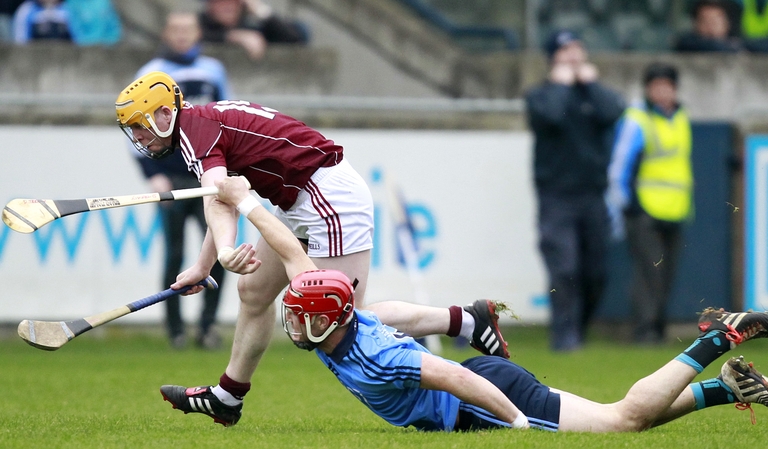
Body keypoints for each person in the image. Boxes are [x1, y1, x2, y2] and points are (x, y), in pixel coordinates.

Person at [162, 176, 768, 431]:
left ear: (330, 318)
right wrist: (244, 201)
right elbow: (290, 251)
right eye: (297, 316)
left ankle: (719, 338)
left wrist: (518, 428)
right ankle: (729, 389)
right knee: (628, 416)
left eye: (302, 317)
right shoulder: (337, 309)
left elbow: (452, 375)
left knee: (622, 420)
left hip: (486, 397)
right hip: (479, 381)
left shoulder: (373, 354)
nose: (293, 322)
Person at [115, 70, 510, 424]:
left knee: (346, 319)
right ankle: (228, 396)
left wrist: (222, 252)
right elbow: (224, 193)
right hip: (299, 201)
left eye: (140, 127)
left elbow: (219, 197)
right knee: (252, 292)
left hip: (328, 198)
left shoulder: (195, 130)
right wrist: (206, 264)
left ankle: (466, 320)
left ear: (165, 114)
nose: (138, 138)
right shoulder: (199, 126)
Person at [130, 12, 231, 350]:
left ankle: (207, 327)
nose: (182, 35)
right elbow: (135, 130)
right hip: (172, 178)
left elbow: (224, 116)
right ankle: (174, 329)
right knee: (175, 256)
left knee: (218, 254)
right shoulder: (150, 73)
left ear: (198, 32)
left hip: (207, 177)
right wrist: (152, 173)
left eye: (188, 29)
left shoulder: (213, 70)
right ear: (166, 33)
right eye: (176, 29)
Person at [524, 29, 627, 352]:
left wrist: (591, 84)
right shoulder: (541, 95)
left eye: (577, 49)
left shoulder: (593, 96)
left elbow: (614, 111)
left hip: (593, 195)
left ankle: (579, 329)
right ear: (552, 58)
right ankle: (564, 337)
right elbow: (551, 115)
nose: (573, 56)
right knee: (564, 267)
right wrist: (560, 84)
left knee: (596, 271)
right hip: (556, 195)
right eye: (565, 50)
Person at [606, 63, 693, 345]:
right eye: (656, 85)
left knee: (667, 275)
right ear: (647, 89)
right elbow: (619, 166)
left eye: (667, 85)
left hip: (676, 208)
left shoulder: (680, 117)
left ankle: (658, 329)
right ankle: (645, 331)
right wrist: (626, 205)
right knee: (649, 274)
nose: (662, 91)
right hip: (645, 209)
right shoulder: (637, 119)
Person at [199, 0, 309, 60]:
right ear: (209, 4)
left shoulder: (253, 25)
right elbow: (194, 37)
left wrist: (262, 11)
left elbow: (296, 39)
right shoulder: (200, 23)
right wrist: (233, 36)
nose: (228, 6)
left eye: (234, 1)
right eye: (220, 1)